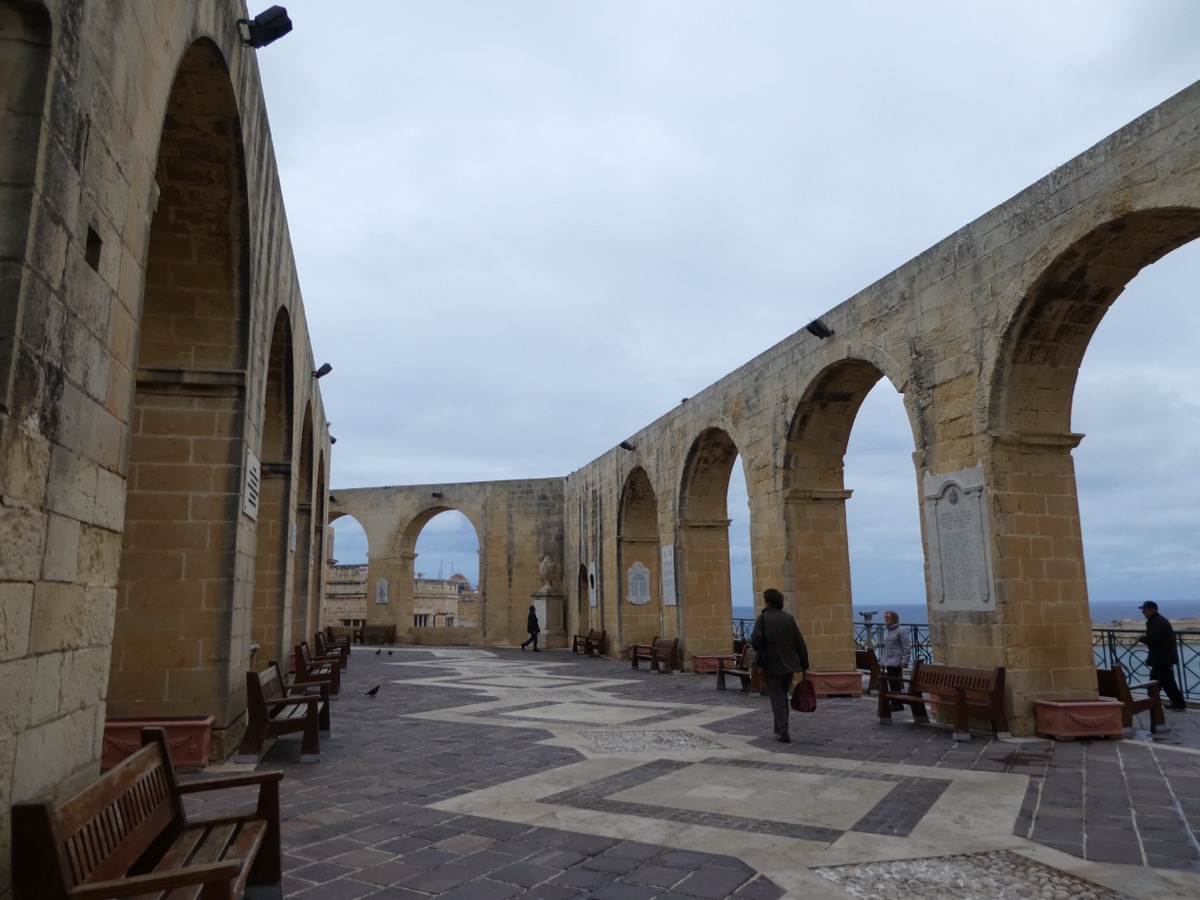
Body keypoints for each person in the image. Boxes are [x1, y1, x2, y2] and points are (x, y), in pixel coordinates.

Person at [749, 587, 809, 743]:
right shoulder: (789, 618)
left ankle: (783, 731)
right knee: (782, 695)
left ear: (767, 602)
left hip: (772, 663)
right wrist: (804, 665)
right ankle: (781, 728)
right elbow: (800, 643)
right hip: (789, 662)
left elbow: (755, 642)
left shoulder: (762, 619)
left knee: (777, 697)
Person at [1137, 601, 1186, 709]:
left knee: (1158, 682)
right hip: (1163, 657)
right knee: (1164, 682)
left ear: (1151, 610)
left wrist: (1142, 638)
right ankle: (1174, 702)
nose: (1142, 612)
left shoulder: (1157, 622)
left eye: (1144, 610)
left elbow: (1154, 640)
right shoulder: (1158, 621)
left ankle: (1151, 702)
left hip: (1161, 658)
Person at [879, 610, 911, 711]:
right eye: (885, 617)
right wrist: (883, 660)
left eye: (888, 617)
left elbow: (906, 646)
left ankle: (898, 703)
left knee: (894, 681)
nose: (886, 619)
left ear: (894, 619)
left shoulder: (901, 630)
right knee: (891, 682)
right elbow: (887, 647)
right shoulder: (887, 630)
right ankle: (895, 703)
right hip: (889, 659)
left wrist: (905, 661)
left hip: (897, 659)